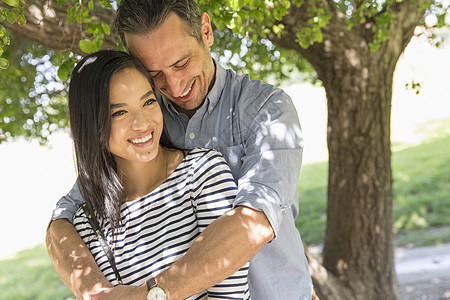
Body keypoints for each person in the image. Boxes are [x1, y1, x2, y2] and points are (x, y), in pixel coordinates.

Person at [46, 0, 314, 299]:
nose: (173, 86)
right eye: (153, 73)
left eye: (181, 63)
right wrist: (96, 293)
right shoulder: (146, 118)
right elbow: (63, 220)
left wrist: (150, 295)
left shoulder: (267, 109)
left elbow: (254, 222)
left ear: (206, 31)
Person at [65, 49, 250, 299]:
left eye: (148, 101)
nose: (142, 123)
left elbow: (232, 294)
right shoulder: (87, 223)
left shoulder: (203, 173)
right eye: (119, 112)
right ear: (91, 126)